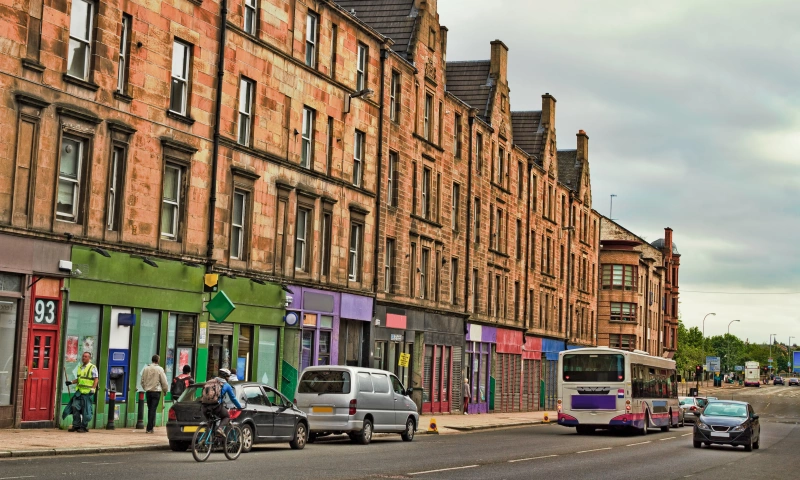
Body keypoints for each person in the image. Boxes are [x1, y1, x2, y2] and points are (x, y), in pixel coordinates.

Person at [62, 351, 99, 432]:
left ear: (89, 358)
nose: (83, 358)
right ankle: (76, 425)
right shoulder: (80, 367)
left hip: (87, 393)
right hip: (79, 392)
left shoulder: (92, 367)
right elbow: (79, 379)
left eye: (85, 356)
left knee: (86, 411)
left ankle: (83, 427)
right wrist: (71, 382)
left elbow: (96, 379)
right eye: (83, 356)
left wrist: (93, 388)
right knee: (74, 407)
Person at [201, 368, 242, 436]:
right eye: (228, 376)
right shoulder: (226, 385)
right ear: (226, 377)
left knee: (210, 422)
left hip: (204, 406)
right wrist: (239, 407)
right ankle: (220, 429)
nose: (229, 378)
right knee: (226, 417)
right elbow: (233, 398)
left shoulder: (209, 382)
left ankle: (205, 440)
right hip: (216, 406)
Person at [140, 354, 169, 434]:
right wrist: (165, 390)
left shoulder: (146, 368)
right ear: (158, 360)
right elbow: (164, 381)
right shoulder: (160, 369)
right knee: (153, 409)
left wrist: (145, 388)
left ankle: (150, 427)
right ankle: (150, 428)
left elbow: (142, 381)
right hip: (156, 392)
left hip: (148, 392)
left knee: (150, 409)